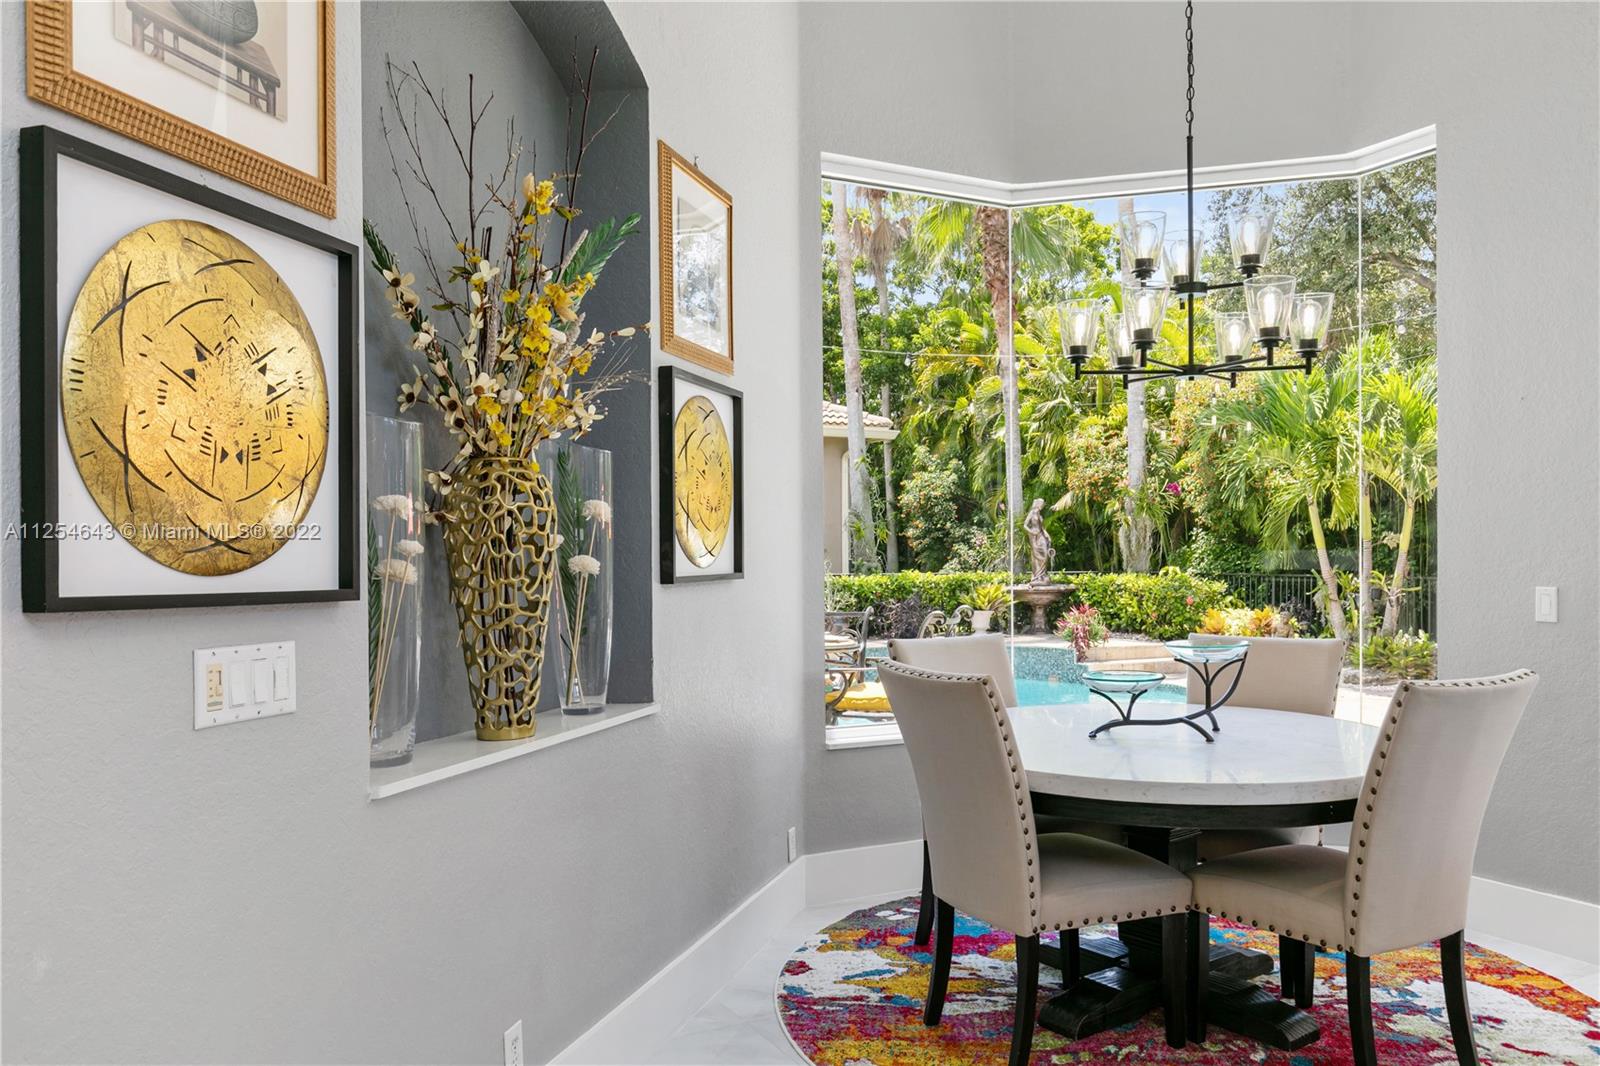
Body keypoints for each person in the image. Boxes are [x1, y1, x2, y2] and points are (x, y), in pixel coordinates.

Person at [1022, 498, 1054, 585]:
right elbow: (1025, 525)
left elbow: (1042, 527)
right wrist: (1031, 531)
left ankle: (1042, 575)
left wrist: (1047, 535)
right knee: (1036, 556)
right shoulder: (1032, 513)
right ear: (1038, 504)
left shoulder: (1039, 514)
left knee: (1045, 554)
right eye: (1042, 504)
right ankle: (1037, 577)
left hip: (1041, 535)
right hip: (1034, 537)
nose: (1042, 506)